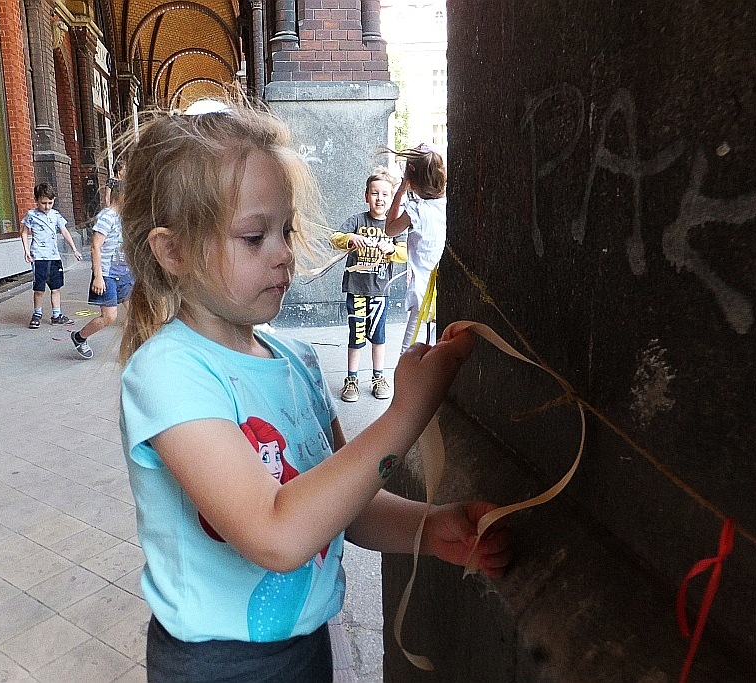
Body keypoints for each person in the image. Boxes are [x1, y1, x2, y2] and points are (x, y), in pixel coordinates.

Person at [117, 101, 511, 682]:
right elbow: (277, 533)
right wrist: (405, 414)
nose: (282, 253)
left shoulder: (295, 360)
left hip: (303, 648)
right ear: (172, 251)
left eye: (285, 229)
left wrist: (430, 527)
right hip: (216, 665)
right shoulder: (169, 374)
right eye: (253, 237)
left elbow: (337, 504)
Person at [329, 167, 407, 402]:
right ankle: (351, 379)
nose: (379, 199)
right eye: (375, 193)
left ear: (391, 198)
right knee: (356, 335)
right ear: (366, 196)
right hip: (356, 289)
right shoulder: (357, 220)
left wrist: (392, 249)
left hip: (380, 291)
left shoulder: (395, 226)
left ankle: (378, 377)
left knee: (379, 336)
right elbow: (334, 239)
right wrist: (350, 238)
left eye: (384, 194)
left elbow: (405, 253)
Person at [383, 143, 447, 353]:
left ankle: (405, 381)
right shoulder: (447, 205)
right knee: (440, 344)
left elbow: (390, 229)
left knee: (408, 349)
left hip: (422, 290)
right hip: (442, 288)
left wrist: (400, 190)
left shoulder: (416, 210)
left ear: (412, 181)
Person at [70, 189, 133, 359]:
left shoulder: (125, 218)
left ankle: (130, 349)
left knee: (135, 312)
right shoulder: (107, 217)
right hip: (107, 275)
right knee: (109, 317)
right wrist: (98, 277)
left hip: (125, 273)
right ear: (121, 195)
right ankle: (79, 337)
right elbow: (95, 246)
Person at [19, 183, 82, 328]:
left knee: (56, 288)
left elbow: (64, 231)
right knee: (39, 289)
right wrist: (27, 251)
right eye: (43, 203)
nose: (47, 206)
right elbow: (23, 232)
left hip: (54, 257)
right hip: (39, 257)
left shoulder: (56, 215)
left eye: (50, 203)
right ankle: (37, 314)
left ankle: (57, 314)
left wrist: (74, 249)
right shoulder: (31, 215)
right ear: (37, 200)